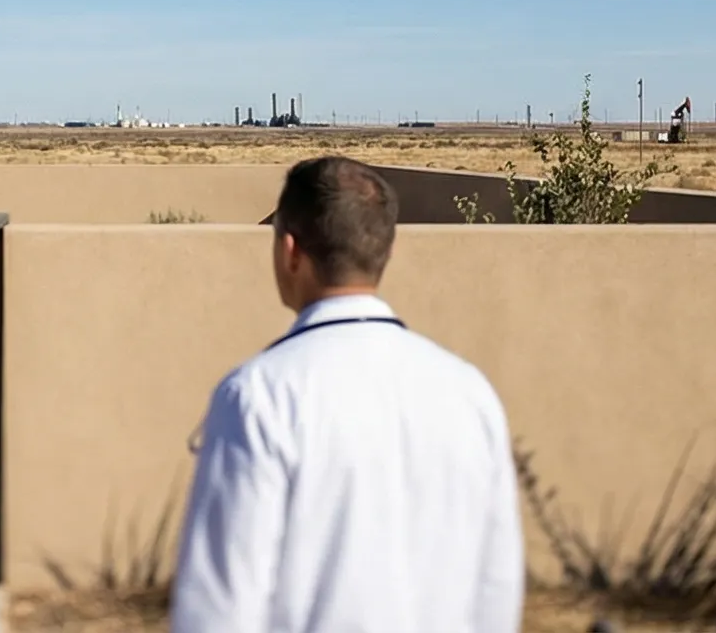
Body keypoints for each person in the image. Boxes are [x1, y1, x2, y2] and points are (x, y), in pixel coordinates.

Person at [170, 156, 523, 633]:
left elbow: (219, 607)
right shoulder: (469, 394)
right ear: (385, 251)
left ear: (290, 251)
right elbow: (496, 591)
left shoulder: (259, 397)